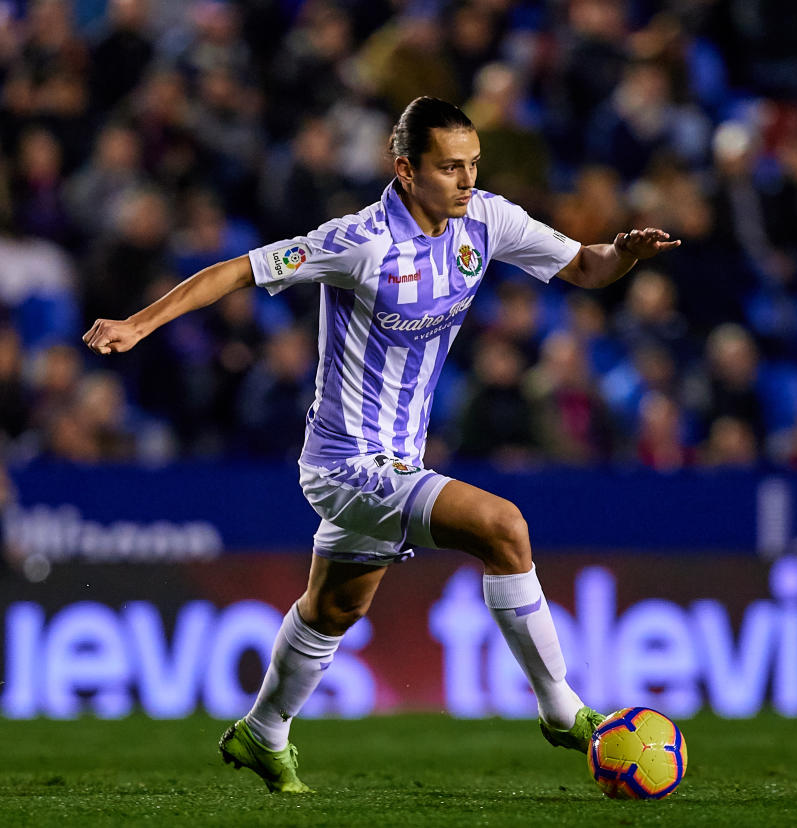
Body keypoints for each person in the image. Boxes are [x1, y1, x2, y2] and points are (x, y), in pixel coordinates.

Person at [83, 96, 680, 794]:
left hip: (401, 461)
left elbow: (585, 267)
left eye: (473, 164)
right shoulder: (359, 241)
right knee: (504, 528)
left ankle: (262, 732)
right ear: (405, 168)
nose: (466, 179)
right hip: (343, 465)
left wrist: (624, 256)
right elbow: (239, 270)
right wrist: (138, 323)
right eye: (450, 167)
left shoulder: (485, 220)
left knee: (334, 609)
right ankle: (561, 710)